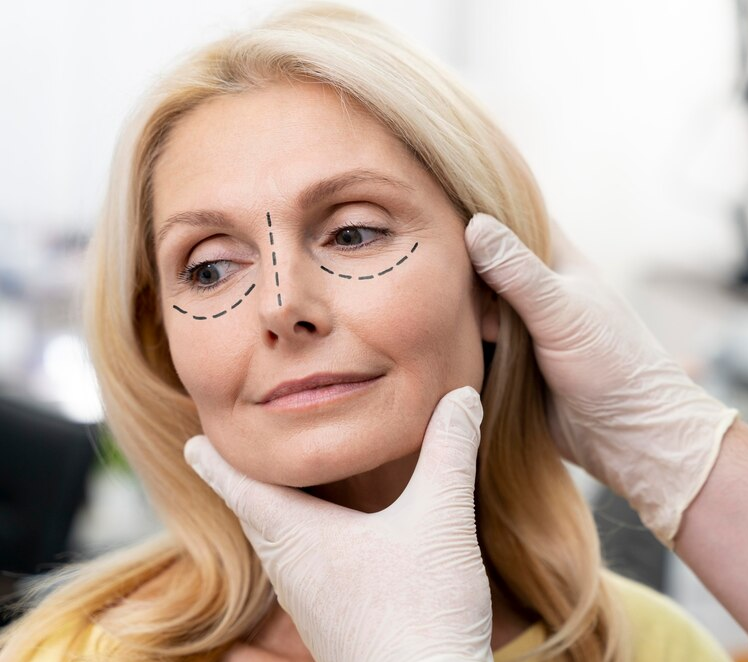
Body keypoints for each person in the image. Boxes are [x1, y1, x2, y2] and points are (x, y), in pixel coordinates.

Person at [0, 2, 738, 660]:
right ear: (161, 341)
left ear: (493, 279)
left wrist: (673, 447)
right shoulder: (65, 654)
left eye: (354, 233)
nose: (282, 305)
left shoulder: (644, 647)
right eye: (210, 268)